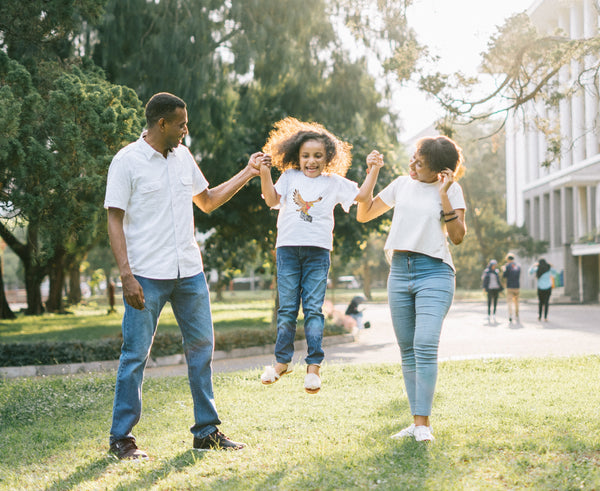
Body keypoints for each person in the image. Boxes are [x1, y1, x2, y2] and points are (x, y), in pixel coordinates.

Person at [104, 92, 262, 460]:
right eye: (181, 124)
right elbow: (113, 218)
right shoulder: (127, 161)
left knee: (202, 350)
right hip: (146, 275)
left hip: (189, 272)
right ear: (162, 123)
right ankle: (121, 438)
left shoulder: (183, 157)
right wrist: (126, 276)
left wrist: (248, 172)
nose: (185, 131)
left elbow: (206, 201)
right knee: (135, 355)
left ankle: (206, 432)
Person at [258, 117, 383, 394]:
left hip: (317, 253)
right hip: (288, 250)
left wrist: (373, 170)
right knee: (288, 309)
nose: (311, 161)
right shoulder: (290, 177)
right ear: (297, 156)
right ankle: (282, 363)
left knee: (313, 309)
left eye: (317, 156)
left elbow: (363, 196)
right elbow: (270, 200)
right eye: (305, 156)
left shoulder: (334, 182)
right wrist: (264, 172)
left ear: (328, 158)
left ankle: (313, 368)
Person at [357, 135, 466, 442]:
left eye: (421, 163)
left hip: (435, 272)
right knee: (408, 351)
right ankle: (417, 423)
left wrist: (444, 193)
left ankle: (423, 425)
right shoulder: (402, 184)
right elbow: (363, 214)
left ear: (441, 171)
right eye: (414, 158)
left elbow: (457, 236)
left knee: (425, 343)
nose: (413, 165)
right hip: (400, 272)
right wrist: (373, 172)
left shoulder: (452, 189)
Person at [502, 253, 521, 323]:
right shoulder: (518, 266)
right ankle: (517, 314)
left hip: (510, 286)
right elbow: (518, 275)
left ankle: (510, 315)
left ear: (508, 259)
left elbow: (504, 276)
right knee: (516, 302)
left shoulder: (507, 266)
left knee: (509, 301)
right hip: (517, 286)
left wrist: (504, 269)